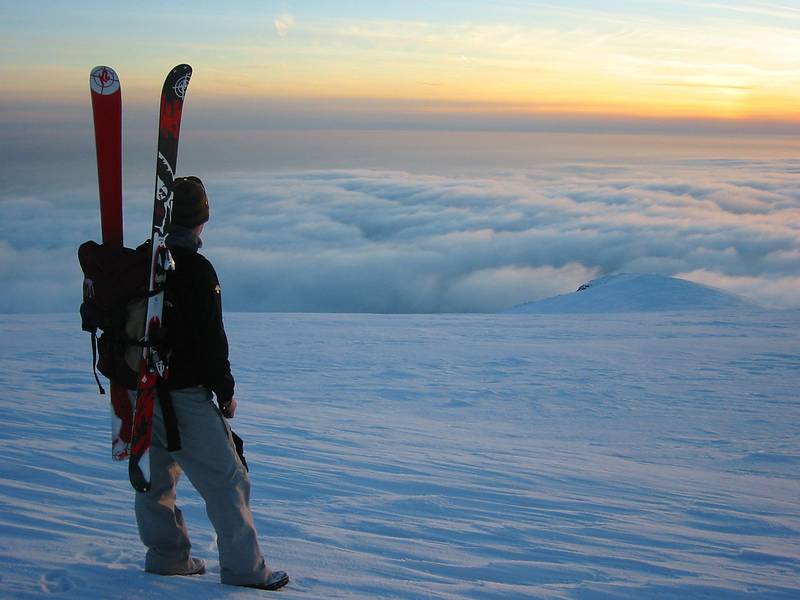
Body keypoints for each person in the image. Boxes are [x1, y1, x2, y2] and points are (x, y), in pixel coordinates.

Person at [133, 176, 289, 591]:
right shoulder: (197, 271)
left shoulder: (143, 259)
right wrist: (226, 391)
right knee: (228, 479)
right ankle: (243, 570)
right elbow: (209, 340)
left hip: (139, 389)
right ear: (202, 219)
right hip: (183, 392)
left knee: (158, 477)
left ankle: (167, 558)